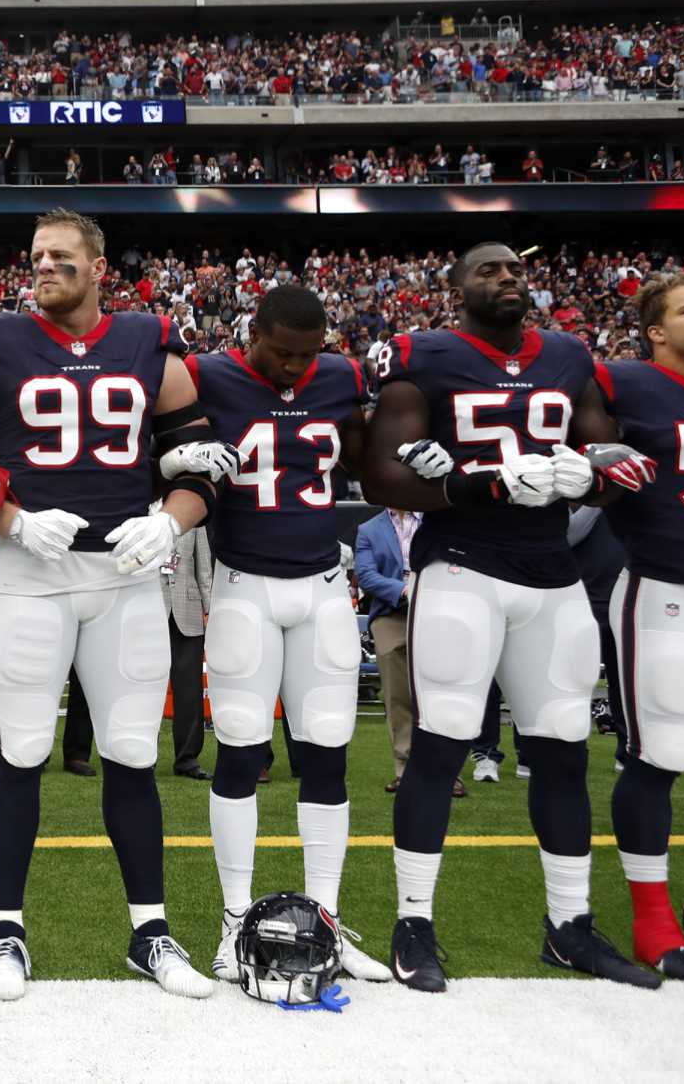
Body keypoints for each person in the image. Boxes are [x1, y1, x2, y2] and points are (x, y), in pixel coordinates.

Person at [0, 209, 221, 1001]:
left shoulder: (152, 341)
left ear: (98, 265)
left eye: (60, 256)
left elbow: (202, 467)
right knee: (20, 753)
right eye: (35, 257)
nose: (43, 266)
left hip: (123, 578)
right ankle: (6, 933)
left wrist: (170, 520)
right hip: (33, 575)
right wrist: (12, 517)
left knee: (131, 754)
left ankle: (150, 932)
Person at [362, 240, 652, 992]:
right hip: (462, 569)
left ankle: (570, 925)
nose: (507, 278)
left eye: (517, 269)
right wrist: (478, 485)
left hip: (553, 576)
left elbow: (612, 471)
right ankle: (414, 922)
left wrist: (590, 472)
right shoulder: (422, 354)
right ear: (456, 286)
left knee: (562, 751)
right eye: (488, 269)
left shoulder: (566, 354)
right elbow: (379, 470)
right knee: (439, 746)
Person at [182, 284, 391, 984]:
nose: (297, 367)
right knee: (241, 754)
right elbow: (159, 441)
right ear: (253, 333)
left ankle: (324, 923)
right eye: (282, 353)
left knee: (327, 756)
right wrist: (182, 461)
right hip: (244, 586)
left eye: (308, 353)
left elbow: (364, 455)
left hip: (324, 589)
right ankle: (233, 919)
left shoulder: (339, 375)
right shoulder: (210, 374)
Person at [591, 273, 684, 987]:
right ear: (655, 330)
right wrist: (595, 454)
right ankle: (653, 924)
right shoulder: (624, 384)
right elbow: (568, 424)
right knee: (660, 756)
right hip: (665, 592)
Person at [354, 505, 456, 795]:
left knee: (438, 694)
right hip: (390, 614)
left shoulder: (438, 521)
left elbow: (452, 561)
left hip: (436, 611)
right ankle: (405, 770)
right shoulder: (369, 529)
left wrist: (426, 589)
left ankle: (447, 772)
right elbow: (366, 575)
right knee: (397, 697)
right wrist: (403, 590)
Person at [158, 524, 212, 783]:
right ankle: (139, 757)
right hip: (148, 607)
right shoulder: (139, 509)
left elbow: (204, 567)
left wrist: (211, 610)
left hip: (188, 609)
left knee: (189, 690)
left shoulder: (195, 518)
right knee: (145, 690)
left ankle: (188, 759)